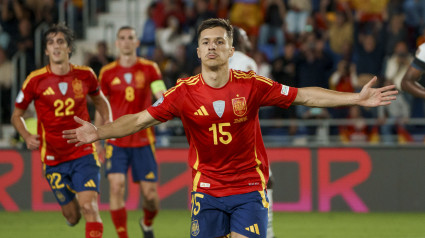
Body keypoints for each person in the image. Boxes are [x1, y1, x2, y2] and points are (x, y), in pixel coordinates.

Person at [64, 18, 397, 238]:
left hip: (249, 188)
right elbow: (139, 119)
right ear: (197, 51)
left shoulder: (251, 84)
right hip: (206, 190)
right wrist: (99, 131)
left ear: (231, 50)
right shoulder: (182, 93)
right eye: (206, 42)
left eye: (219, 42)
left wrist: (356, 98)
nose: (212, 46)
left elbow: (304, 97)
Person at [11, 23, 111, 238]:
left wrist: (102, 134)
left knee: (90, 208)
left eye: (60, 42)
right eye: (50, 43)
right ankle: (71, 210)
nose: (55, 46)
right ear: (46, 50)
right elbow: (16, 114)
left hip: (84, 152)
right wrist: (26, 135)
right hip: (53, 158)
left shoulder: (85, 75)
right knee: (73, 217)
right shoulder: (34, 80)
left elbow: (102, 103)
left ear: (69, 48)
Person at [95, 26, 166, 238]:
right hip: (116, 142)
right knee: (116, 187)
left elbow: (161, 94)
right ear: (117, 44)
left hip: (143, 140)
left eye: (130, 38)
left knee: (151, 196)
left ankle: (146, 222)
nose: (126, 41)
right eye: (122, 38)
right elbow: (101, 106)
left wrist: (165, 100)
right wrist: (97, 137)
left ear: (137, 43)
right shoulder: (107, 73)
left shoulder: (150, 68)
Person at [229, 26, 275, 238]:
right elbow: (251, 96)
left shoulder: (213, 63)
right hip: (243, 132)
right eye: (246, 35)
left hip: (218, 132)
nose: (249, 39)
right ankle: (268, 231)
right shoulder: (247, 62)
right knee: (265, 179)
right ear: (238, 39)